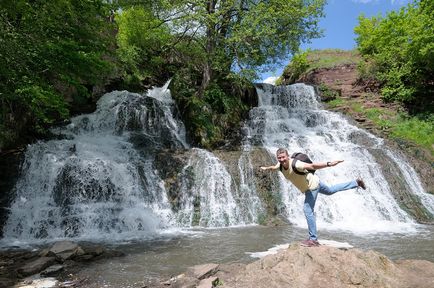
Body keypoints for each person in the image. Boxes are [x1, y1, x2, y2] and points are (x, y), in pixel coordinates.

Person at [260, 148, 366, 247]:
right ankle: (356, 182)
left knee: (307, 210)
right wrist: (266, 168)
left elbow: (313, 166)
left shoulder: (297, 164)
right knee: (330, 190)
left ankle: (313, 239)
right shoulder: (280, 165)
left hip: (312, 187)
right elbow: (274, 167)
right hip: (316, 181)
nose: (282, 159)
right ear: (277, 158)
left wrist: (329, 164)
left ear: (288, 156)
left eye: (283, 157)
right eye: (279, 158)